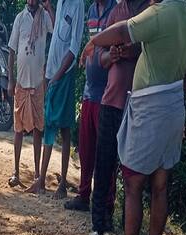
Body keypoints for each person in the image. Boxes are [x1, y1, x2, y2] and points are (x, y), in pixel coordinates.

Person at [81, 0, 186, 235]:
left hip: (151, 109)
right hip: (172, 106)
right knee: (159, 185)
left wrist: (93, 41)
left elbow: (122, 31)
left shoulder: (160, 13)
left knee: (133, 183)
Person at [84, 0, 150, 235]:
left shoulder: (150, 13)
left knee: (134, 175)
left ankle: (128, 234)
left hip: (137, 105)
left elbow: (148, 49)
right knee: (103, 166)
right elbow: (99, 56)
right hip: (110, 100)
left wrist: (131, 51)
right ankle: (98, 227)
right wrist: (110, 55)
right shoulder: (117, 11)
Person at [63, 0, 115, 211]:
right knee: (86, 148)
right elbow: (92, 43)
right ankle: (84, 195)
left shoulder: (117, 10)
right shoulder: (92, 10)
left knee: (106, 153)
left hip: (108, 94)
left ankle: (106, 205)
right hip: (89, 92)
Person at [30, 0, 85, 197]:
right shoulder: (61, 2)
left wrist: (58, 75)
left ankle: (60, 185)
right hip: (52, 73)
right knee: (50, 124)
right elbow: (57, 34)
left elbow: (73, 48)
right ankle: (42, 181)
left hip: (64, 74)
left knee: (63, 127)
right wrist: (50, 9)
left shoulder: (78, 5)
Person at [7, 0, 54, 187]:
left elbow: (57, 29)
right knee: (18, 128)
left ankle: (37, 174)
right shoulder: (20, 18)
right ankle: (16, 172)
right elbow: (11, 51)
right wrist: (10, 79)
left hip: (38, 83)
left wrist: (49, 7)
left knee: (38, 128)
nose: (33, 2)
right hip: (21, 82)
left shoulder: (45, 18)